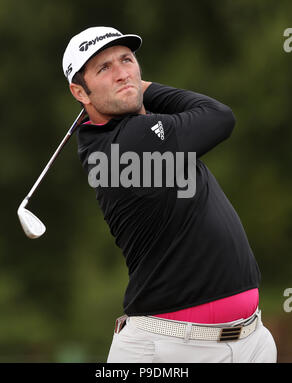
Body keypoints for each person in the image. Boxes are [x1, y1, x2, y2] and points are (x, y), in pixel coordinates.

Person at [62, 26, 277, 363]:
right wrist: (142, 87)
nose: (121, 73)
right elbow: (220, 117)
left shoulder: (115, 135)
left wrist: (128, 88)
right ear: (80, 92)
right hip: (168, 348)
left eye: (127, 60)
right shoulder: (130, 142)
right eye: (104, 68)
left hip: (250, 340)